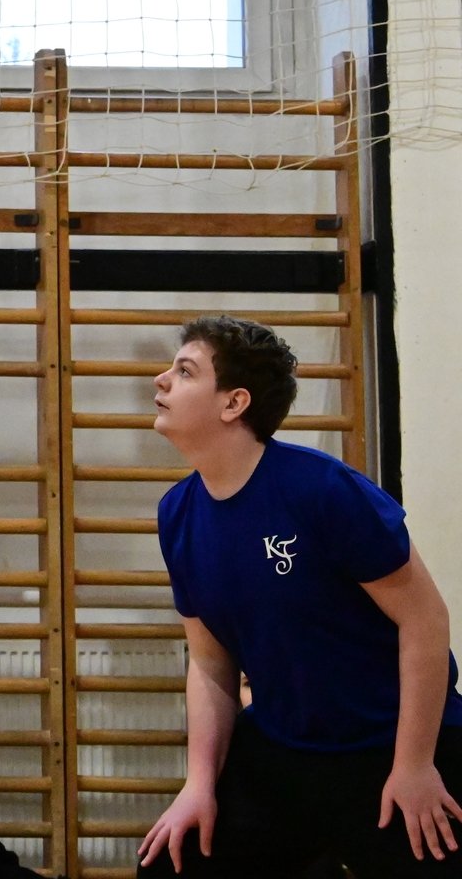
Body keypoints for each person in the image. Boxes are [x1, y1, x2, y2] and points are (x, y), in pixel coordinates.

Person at [138, 315, 462, 876]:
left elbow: (426, 621)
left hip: (392, 745)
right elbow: (211, 663)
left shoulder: (322, 490)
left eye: (184, 371)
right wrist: (198, 783)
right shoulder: (177, 513)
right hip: (285, 749)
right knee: (173, 863)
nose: (160, 381)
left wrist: (413, 766)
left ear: (233, 403)